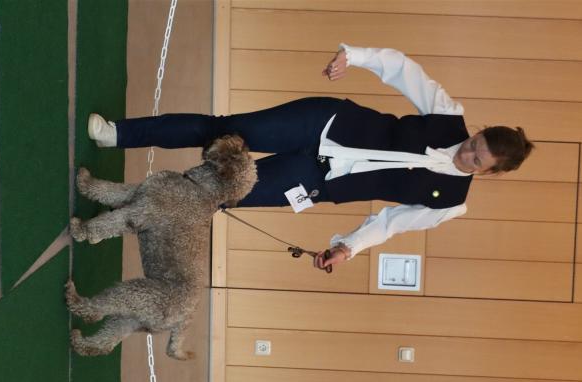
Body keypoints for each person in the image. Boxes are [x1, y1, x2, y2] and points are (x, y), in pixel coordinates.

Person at [88, 44, 534, 271]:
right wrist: (353, 56)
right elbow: (403, 69)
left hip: (314, 181)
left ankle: (122, 212)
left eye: (477, 159)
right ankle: (118, 134)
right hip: (322, 122)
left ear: (489, 172)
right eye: (475, 142)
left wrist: (348, 247)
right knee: (223, 130)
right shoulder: (448, 117)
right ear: (479, 131)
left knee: (218, 195)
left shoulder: (449, 204)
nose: (467, 151)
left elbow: (389, 224)